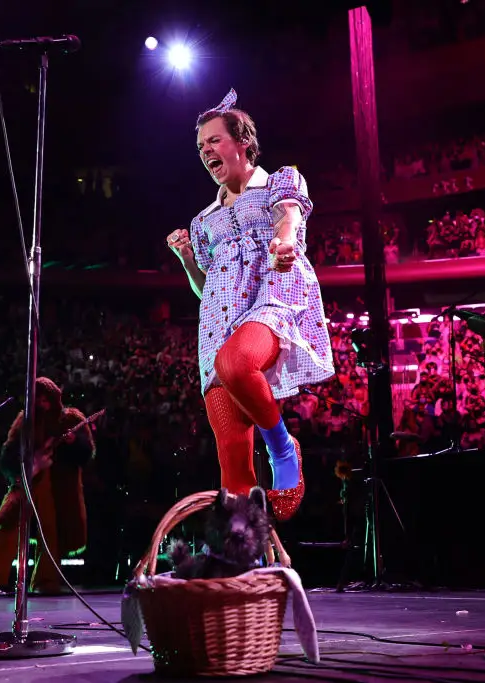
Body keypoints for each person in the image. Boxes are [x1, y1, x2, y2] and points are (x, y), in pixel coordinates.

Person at [166, 88, 334, 521]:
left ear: (242, 143)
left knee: (237, 364)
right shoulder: (203, 221)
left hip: (272, 299)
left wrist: (283, 241)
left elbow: (289, 216)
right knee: (232, 457)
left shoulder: (280, 180)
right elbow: (204, 289)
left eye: (214, 141)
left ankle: (282, 447)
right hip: (218, 323)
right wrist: (187, 260)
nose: (206, 151)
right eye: (201, 146)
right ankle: (242, 559)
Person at [0, 377, 95, 595]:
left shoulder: (70, 419)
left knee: (50, 531)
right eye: (39, 400)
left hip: (59, 489)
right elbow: (7, 456)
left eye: (46, 400)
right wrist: (32, 464)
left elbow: (86, 453)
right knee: (11, 521)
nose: (43, 405)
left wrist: (73, 443)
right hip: (31, 482)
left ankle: (46, 579)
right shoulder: (26, 421)